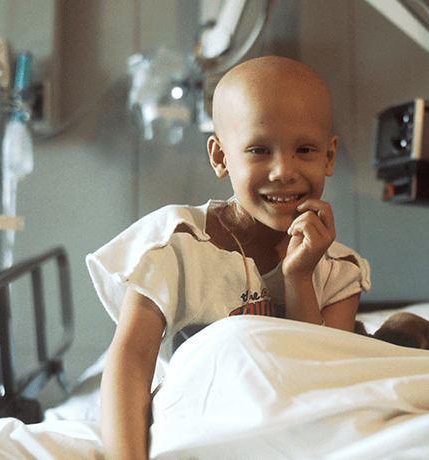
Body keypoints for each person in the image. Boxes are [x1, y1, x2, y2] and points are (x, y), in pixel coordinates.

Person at [86, 55, 371, 460]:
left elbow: (316, 387)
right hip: (199, 426)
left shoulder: (339, 272)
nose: (283, 171)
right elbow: (131, 362)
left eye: (304, 150)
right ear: (220, 157)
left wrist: (299, 277)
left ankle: (390, 343)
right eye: (258, 150)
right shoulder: (176, 244)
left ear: (329, 156)